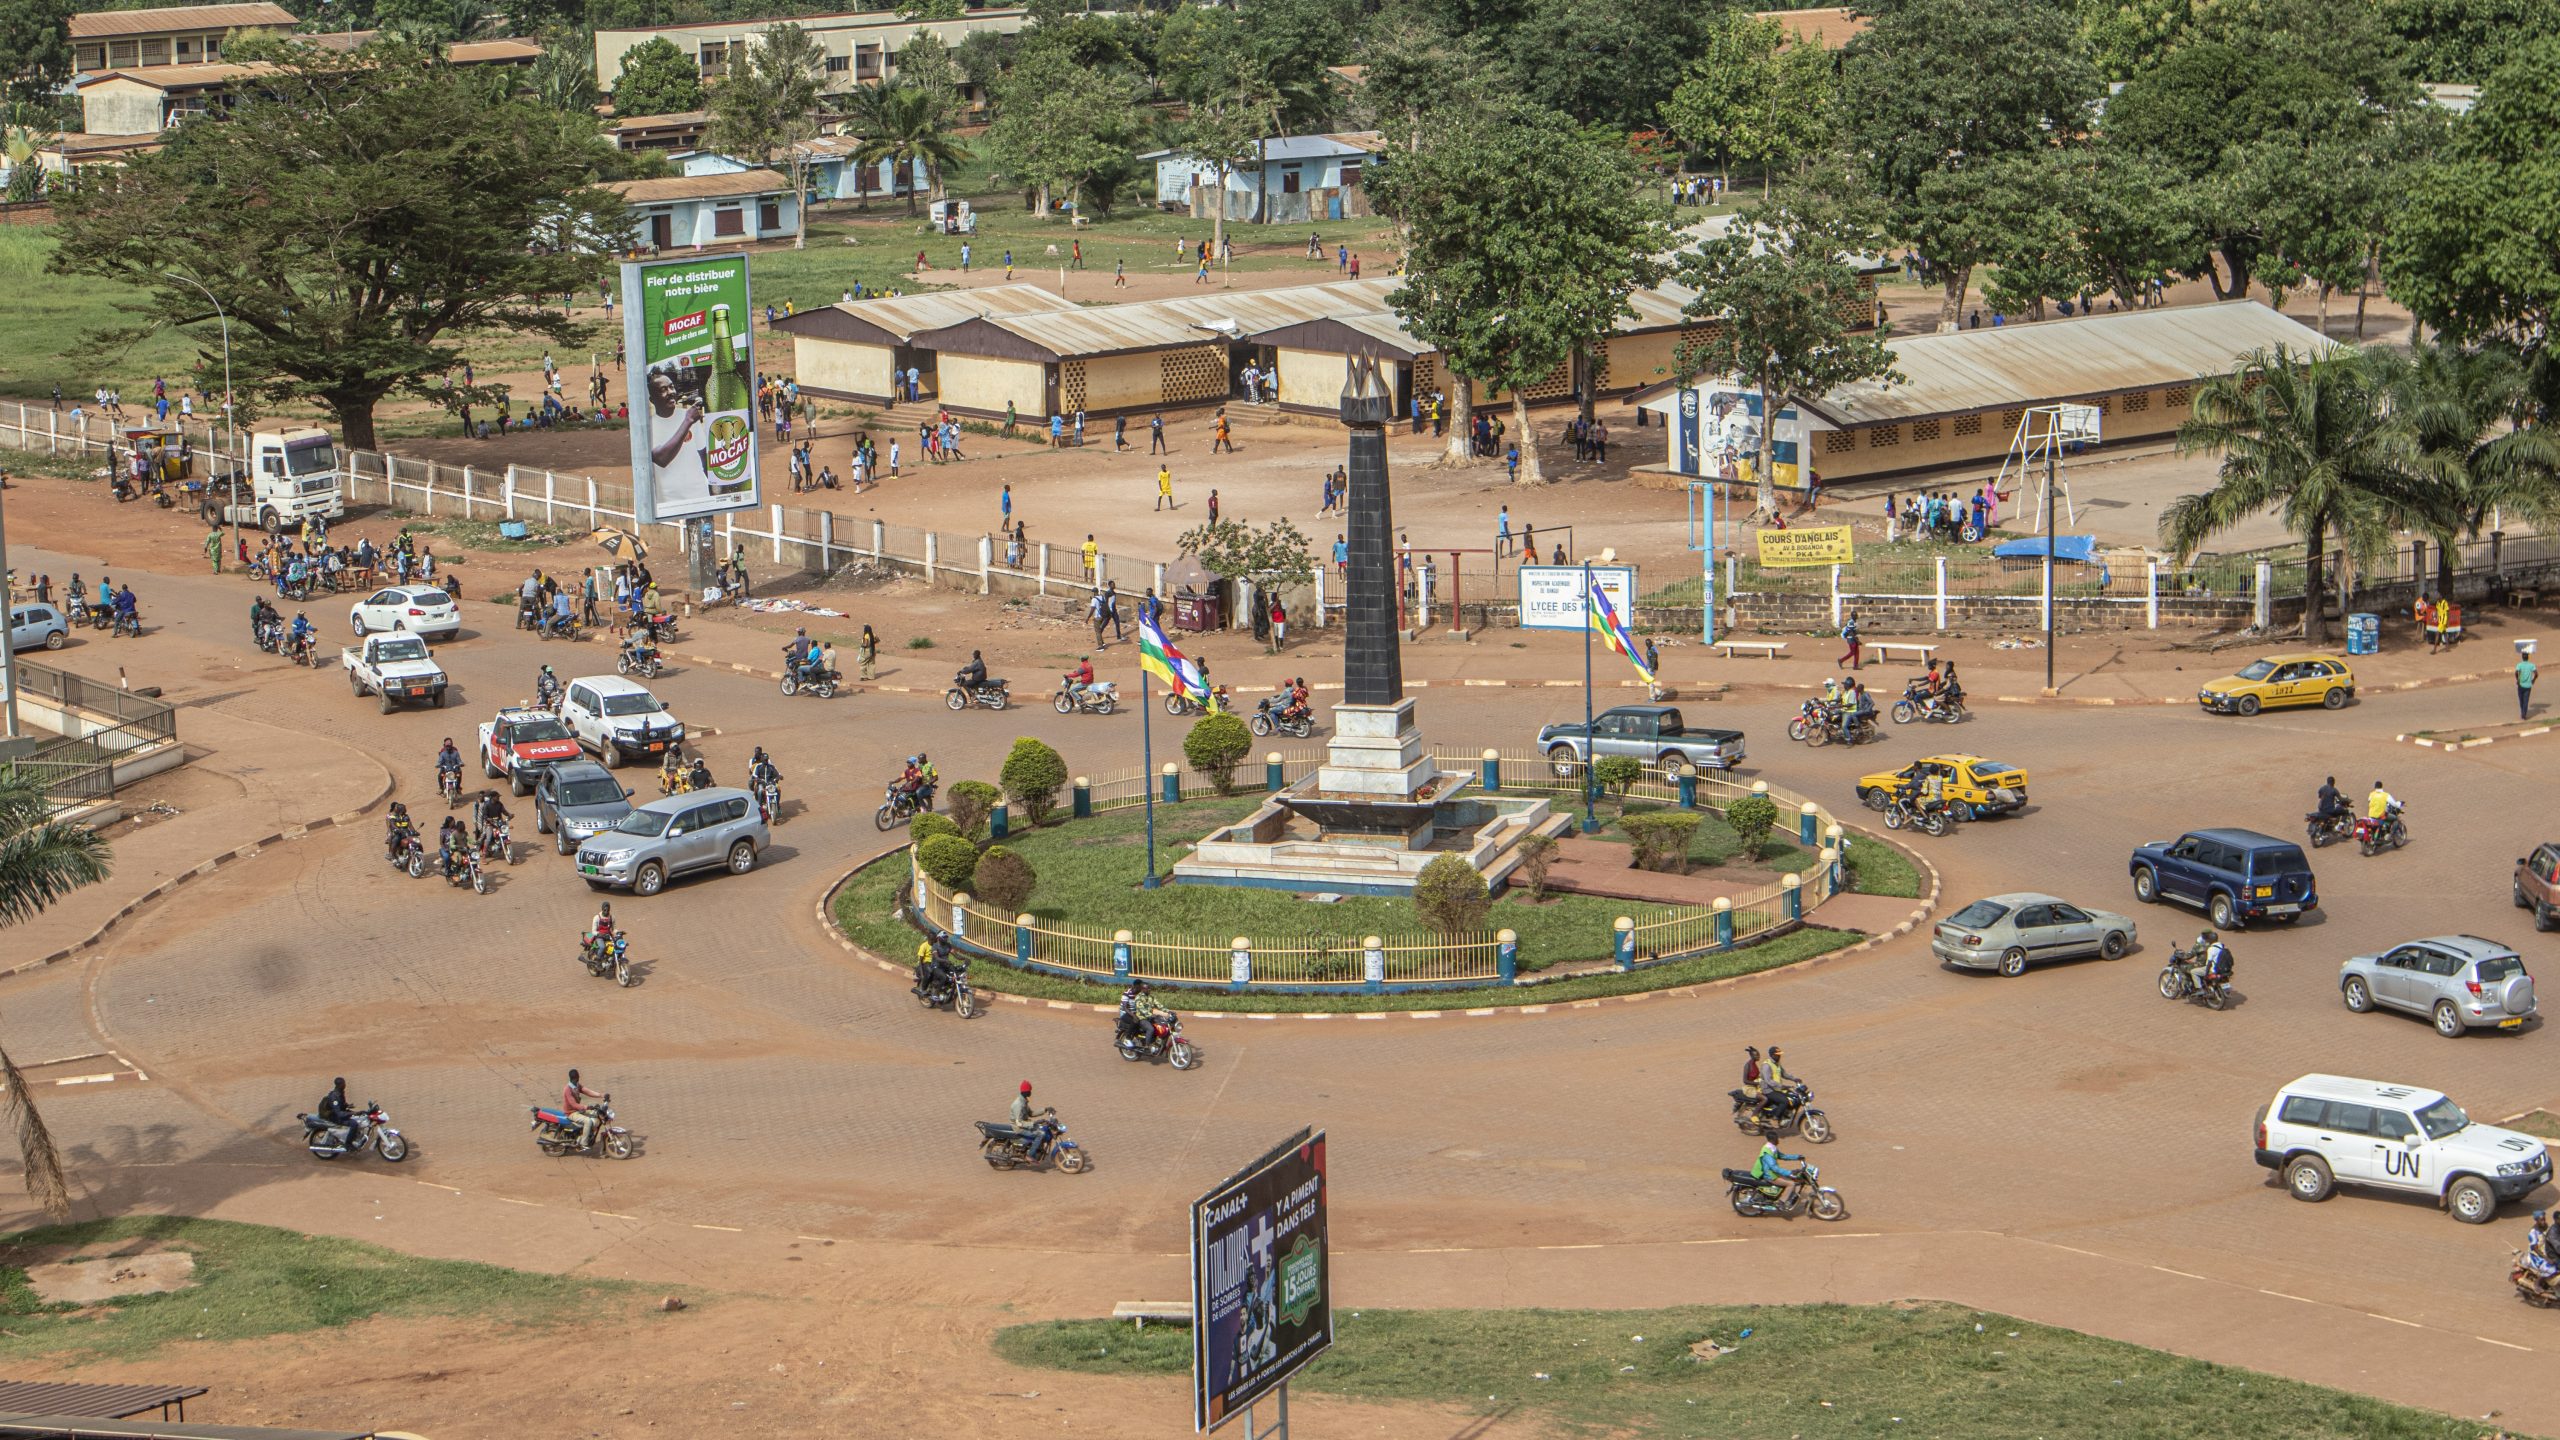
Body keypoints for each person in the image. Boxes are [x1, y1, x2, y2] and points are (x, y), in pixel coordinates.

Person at [561, 1069, 608, 1150]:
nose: (579, 1078)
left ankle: (588, 1133)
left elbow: (587, 1091)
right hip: (571, 1113)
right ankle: (583, 1143)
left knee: (596, 1113)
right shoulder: (567, 1090)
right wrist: (586, 1107)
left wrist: (601, 1095)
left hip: (578, 1110)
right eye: (578, 1077)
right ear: (575, 1078)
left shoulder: (577, 1085)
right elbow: (573, 1104)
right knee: (588, 1121)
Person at [1751, 1138, 1805, 1202]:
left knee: (1795, 1179)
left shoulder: (1772, 1148)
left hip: (1773, 1173)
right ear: (1773, 1140)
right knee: (1791, 1184)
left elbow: (1783, 1156)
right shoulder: (1767, 1153)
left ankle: (1791, 1197)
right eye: (1777, 1139)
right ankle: (1781, 1202)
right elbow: (1774, 1168)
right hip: (1770, 1175)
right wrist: (1789, 1172)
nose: (1778, 1141)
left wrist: (1797, 1157)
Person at [315, 1077, 358, 1152]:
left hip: (337, 1114)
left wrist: (348, 1106)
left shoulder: (340, 1093)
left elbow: (342, 1105)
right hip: (334, 1117)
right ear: (340, 1085)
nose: (345, 1085)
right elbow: (339, 1113)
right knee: (354, 1124)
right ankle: (348, 1144)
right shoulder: (334, 1096)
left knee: (358, 1117)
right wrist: (351, 1113)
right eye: (344, 1083)